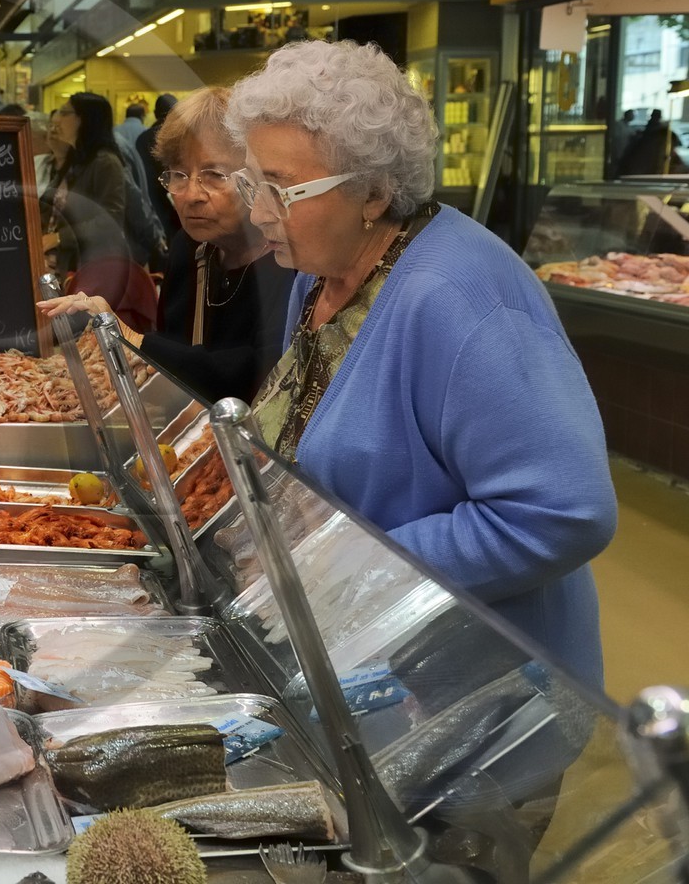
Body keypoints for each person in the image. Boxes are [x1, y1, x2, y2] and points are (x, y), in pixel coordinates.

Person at [226, 39, 615, 684]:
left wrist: (348, 567)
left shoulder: (461, 300)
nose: (259, 212)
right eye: (250, 182)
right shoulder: (323, 272)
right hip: (370, 659)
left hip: (482, 692)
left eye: (283, 190)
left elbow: (562, 513)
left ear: (374, 192)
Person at [38, 87, 293, 403]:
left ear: (255, 176)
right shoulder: (190, 248)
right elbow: (176, 344)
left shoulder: (290, 260)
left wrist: (135, 342)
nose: (191, 194)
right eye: (178, 175)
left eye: (214, 174)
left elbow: (262, 372)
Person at [38, 94, 157, 332]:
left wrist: (58, 238)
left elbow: (109, 218)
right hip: (67, 270)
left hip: (92, 273)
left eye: (64, 112)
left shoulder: (105, 162)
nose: (57, 119)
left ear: (84, 119)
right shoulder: (75, 160)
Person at [134, 93, 181, 250]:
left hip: (148, 200)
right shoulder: (181, 136)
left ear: (154, 114)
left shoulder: (142, 138)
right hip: (175, 200)